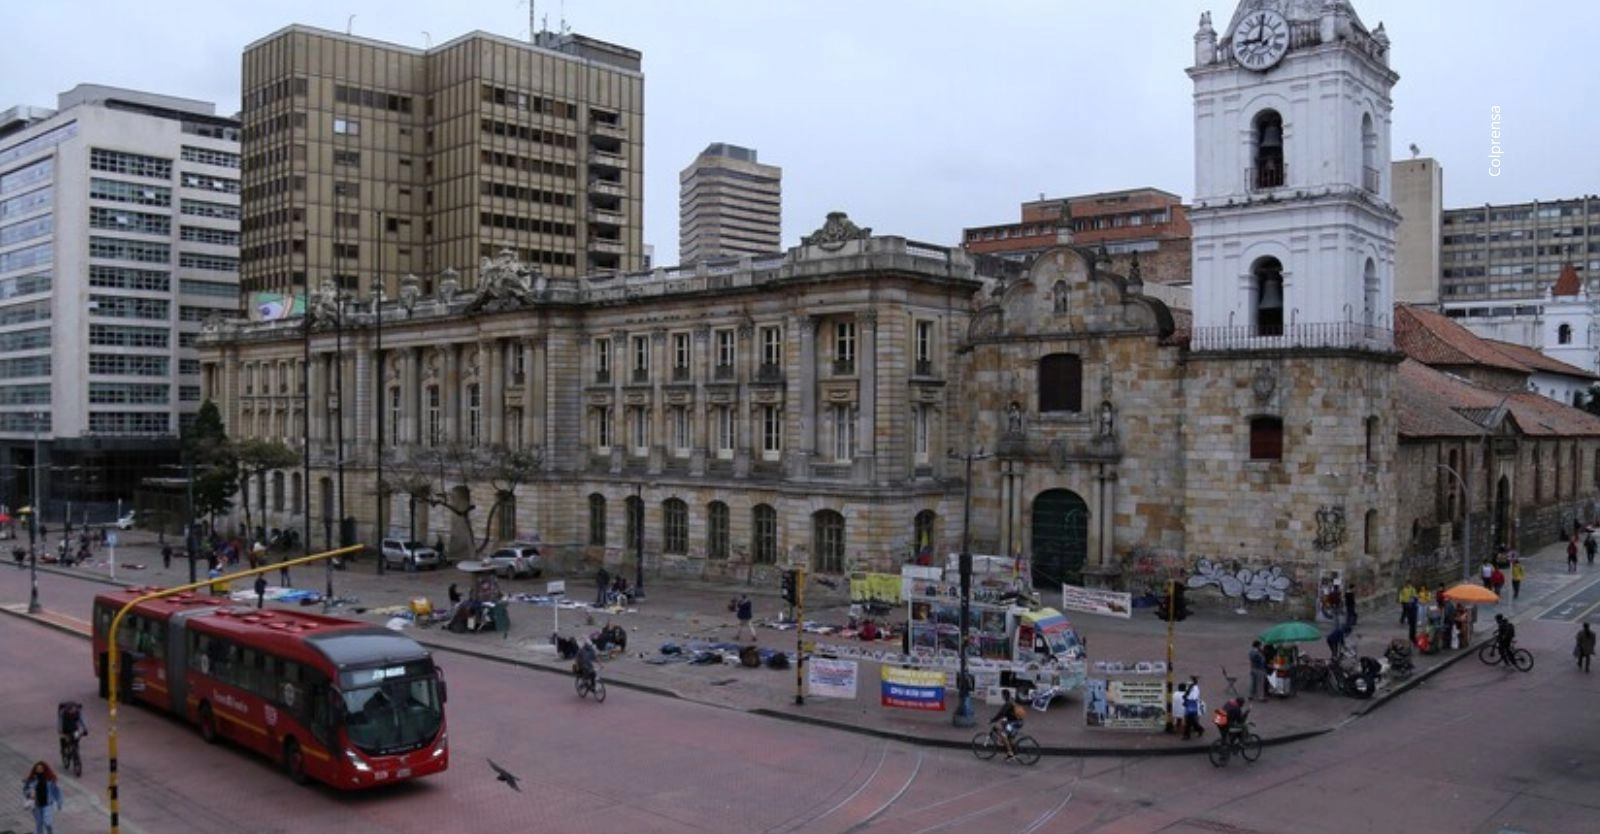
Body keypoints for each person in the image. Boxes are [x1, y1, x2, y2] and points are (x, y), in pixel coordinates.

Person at [23, 760, 63, 834]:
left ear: (44, 769)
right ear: (35, 769)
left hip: (47, 805)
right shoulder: (32, 780)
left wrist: (59, 802)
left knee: (48, 823)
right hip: (36, 806)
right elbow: (25, 790)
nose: (39, 770)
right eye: (37, 768)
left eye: (41, 768)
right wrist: (29, 794)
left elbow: (57, 791)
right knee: (39, 824)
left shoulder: (50, 779)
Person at [989, 690, 1026, 760]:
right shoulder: (1011, 701)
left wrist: (992, 720)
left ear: (1004, 695)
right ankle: (1013, 751)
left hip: (1015, 723)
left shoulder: (1008, 704)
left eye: (1002, 695)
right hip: (1015, 721)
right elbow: (1008, 714)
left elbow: (1001, 713)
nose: (1002, 697)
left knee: (1003, 734)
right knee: (1005, 728)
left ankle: (1010, 753)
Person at [1181, 675, 1203, 740]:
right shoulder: (1191, 686)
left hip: (1192, 705)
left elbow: (1194, 697)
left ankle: (1187, 735)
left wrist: (1186, 698)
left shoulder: (1195, 688)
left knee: (1188, 720)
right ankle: (1199, 729)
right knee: (1191, 721)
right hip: (1189, 705)